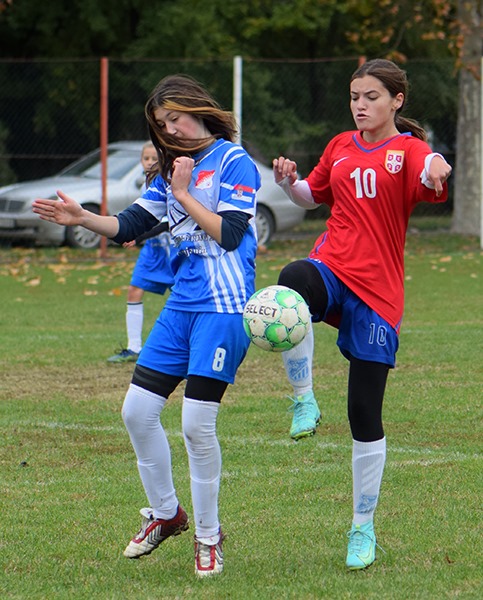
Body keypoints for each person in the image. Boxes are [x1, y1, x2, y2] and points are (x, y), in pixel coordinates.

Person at [33, 74, 261, 577]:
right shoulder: (168, 174)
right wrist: (82, 217)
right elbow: (131, 225)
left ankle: (208, 536)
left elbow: (229, 235)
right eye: (162, 124)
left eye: (176, 117)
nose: (172, 129)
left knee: (196, 425)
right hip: (181, 308)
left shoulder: (232, 161)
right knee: (137, 413)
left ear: (199, 110)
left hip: (223, 310)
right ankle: (166, 514)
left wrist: (183, 191)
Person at [272, 59, 452, 570]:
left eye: (371, 96)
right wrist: (288, 183)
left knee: (363, 414)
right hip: (332, 268)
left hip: (378, 295)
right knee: (291, 284)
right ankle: (303, 400)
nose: (360, 105)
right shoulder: (340, 146)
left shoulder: (407, 150)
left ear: (396, 101)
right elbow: (312, 196)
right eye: (355, 96)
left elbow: (429, 165)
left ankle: (362, 527)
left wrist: (438, 164)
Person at [107, 141, 175, 363]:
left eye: (154, 158)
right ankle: (134, 347)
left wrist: (137, 236)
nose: (150, 162)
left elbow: (165, 224)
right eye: (146, 159)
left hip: (174, 250)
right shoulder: (145, 186)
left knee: (182, 298)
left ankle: (183, 348)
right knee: (134, 290)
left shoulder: (170, 182)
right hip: (153, 251)